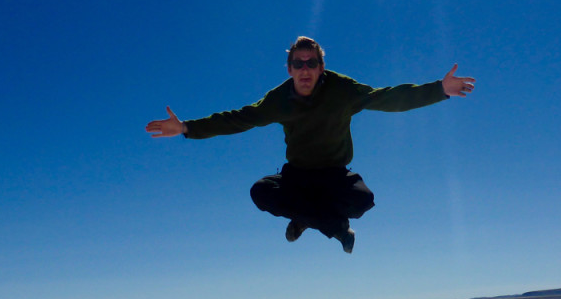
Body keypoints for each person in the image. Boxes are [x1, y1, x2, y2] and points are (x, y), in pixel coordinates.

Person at [146, 36, 475, 253]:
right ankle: (333, 228)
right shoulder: (279, 99)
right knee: (260, 191)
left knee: (364, 201)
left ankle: (306, 218)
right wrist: (187, 127)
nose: (305, 70)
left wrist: (439, 89)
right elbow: (239, 119)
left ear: (321, 67)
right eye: (298, 64)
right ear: (289, 69)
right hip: (297, 177)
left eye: (311, 63)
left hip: (335, 175)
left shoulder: (342, 90)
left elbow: (387, 98)